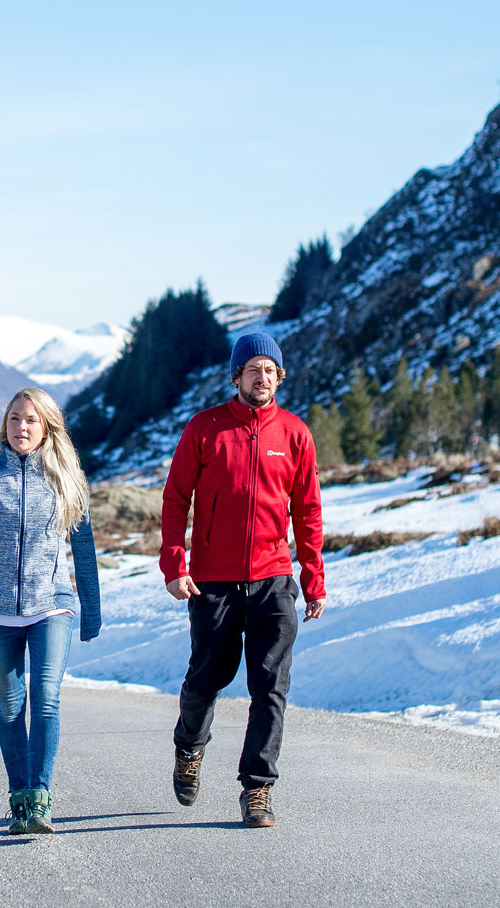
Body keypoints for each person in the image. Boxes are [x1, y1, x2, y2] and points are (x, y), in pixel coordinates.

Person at [159, 330, 326, 829]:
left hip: (273, 579)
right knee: (206, 680)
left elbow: (308, 511)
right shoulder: (205, 428)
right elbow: (175, 499)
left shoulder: (294, 434)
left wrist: (313, 578)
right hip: (213, 581)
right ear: (237, 377)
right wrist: (175, 565)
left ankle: (257, 788)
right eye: (253, 370)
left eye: (270, 370)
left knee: (271, 687)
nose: (262, 378)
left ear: (280, 377)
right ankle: (189, 747)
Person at [0, 386, 102, 835]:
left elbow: (85, 551)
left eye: (31, 420)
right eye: (14, 418)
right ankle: (19, 799)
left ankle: (40, 799)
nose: (21, 427)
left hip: (51, 606)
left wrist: (91, 612)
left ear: (47, 427)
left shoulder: (66, 479)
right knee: (11, 708)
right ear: (5, 424)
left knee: (46, 699)